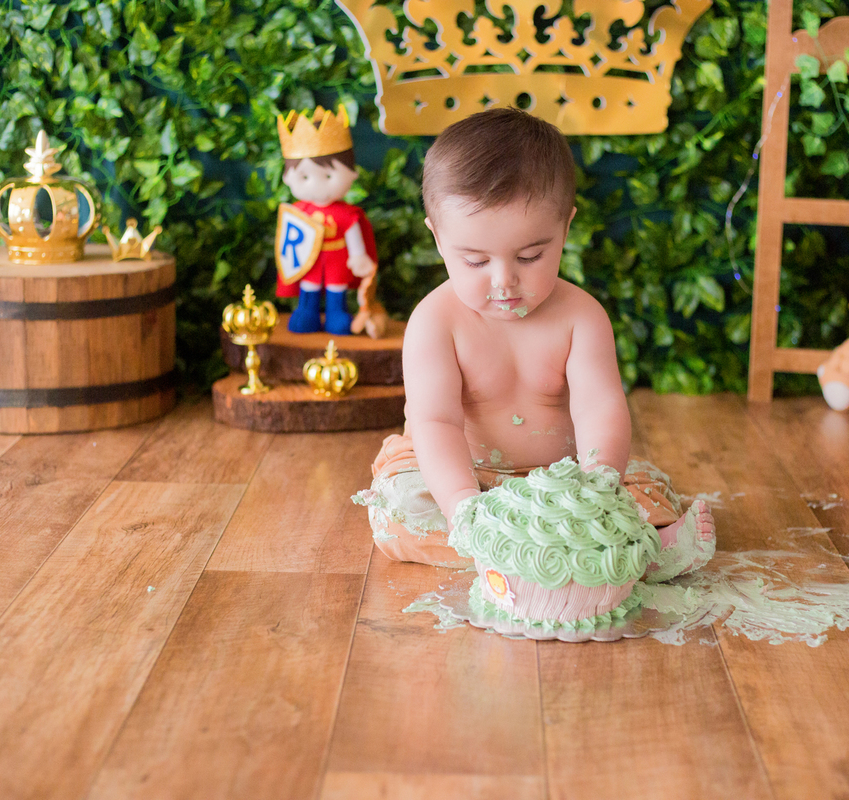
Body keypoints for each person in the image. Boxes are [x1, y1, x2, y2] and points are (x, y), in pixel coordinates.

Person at [355, 108, 714, 574]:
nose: (504, 280)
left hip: (561, 483)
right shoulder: (434, 321)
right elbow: (436, 422)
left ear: (566, 227)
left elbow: (598, 409)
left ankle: (599, 547)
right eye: (475, 261)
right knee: (401, 511)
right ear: (438, 239)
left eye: (530, 256)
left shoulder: (581, 317)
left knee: (643, 492)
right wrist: (465, 508)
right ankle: (568, 556)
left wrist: (598, 486)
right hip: (460, 474)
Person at [275, 105, 377, 335]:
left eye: (329, 175)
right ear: (288, 178)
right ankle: (306, 311)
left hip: (338, 259)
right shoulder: (297, 212)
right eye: (304, 176)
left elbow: (354, 237)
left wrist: (359, 256)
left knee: (336, 288)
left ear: (351, 173)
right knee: (308, 286)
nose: (316, 186)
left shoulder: (347, 214)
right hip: (308, 260)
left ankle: (337, 315)